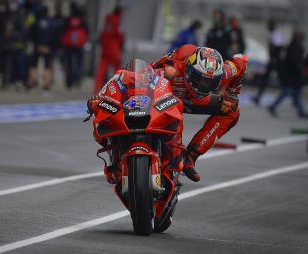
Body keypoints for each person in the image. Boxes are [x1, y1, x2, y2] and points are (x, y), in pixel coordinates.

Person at [89, 45, 247, 183]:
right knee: (173, 105)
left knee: (232, 111)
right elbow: (128, 77)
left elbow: (241, 61)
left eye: (210, 82)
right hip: (163, 97)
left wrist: (232, 94)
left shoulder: (224, 72)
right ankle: (120, 161)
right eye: (199, 79)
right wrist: (101, 97)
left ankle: (190, 157)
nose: (204, 85)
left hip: (192, 100)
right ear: (189, 69)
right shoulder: (171, 70)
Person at [268, 31, 307, 118]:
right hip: (292, 75)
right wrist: (301, 71)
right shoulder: (295, 46)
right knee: (287, 92)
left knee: (297, 91)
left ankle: (301, 110)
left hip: (292, 74)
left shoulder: (292, 45)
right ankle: (272, 106)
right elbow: (296, 62)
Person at [252, 19, 284, 105]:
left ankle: (291, 96)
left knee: (283, 80)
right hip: (273, 60)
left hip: (276, 61)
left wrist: (275, 59)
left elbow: (278, 48)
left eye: (269, 26)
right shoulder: (272, 34)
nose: (268, 27)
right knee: (266, 79)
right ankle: (258, 97)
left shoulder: (276, 35)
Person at [94, 6, 124, 94]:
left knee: (101, 71)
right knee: (118, 72)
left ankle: (97, 89)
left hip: (105, 49)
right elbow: (120, 37)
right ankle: (119, 90)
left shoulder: (107, 21)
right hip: (114, 50)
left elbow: (102, 34)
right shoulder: (117, 22)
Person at [61, 3, 88, 89]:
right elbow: (87, 31)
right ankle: (78, 80)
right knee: (79, 63)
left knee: (69, 63)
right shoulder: (82, 20)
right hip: (79, 45)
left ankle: (69, 82)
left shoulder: (68, 20)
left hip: (68, 45)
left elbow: (63, 32)